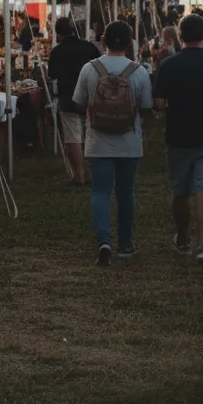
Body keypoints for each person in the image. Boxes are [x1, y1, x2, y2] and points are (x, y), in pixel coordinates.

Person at [154, 13, 203, 264]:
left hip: (179, 136)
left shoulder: (169, 64)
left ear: (180, 35)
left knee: (180, 191)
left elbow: (158, 102)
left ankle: (182, 239)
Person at [72, 21, 152, 265]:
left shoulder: (89, 69)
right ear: (129, 42)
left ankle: (104, 241)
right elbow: (146, 106)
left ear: (103, 41)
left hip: (98, 142)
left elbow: (79, 102)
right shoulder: (139, 71)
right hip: (129, 142)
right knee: (126, 192)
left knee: (100, 191)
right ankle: (125, 243)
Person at [48, 16, 101, 185]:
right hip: (91, 96)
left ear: (58, 34)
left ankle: (79, 176)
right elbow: (100, 67)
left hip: (68, 98)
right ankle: (96, 172)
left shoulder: (57, 51)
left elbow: (52, 74)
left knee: (73, 137)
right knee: (93, 134)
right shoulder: (89, 47)